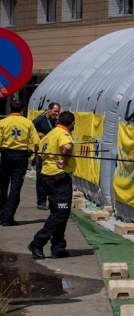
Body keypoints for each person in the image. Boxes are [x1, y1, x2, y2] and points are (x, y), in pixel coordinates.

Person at [28, 111, 76, 259]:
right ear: (72, 123)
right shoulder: (63, 133)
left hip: (48, 177)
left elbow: (41, 153)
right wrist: (65, 161)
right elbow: (67, 147)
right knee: (60, 213)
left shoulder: (50, 134)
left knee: (60, 212)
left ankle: (58, 247)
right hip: (59, 179)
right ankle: (38, 242)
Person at [0, 100, 40, 226]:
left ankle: (1, 215)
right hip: (21, 156)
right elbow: (36, 141)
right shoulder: (28, 123)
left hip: (6, 155)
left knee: (2, 186)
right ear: (22, 109)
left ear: (10, 109)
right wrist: (35, 157)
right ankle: (8, 217)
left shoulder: (2, 122)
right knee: (15, 188)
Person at [33, 102, 61, 210]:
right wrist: (38, 135)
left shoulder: (57, 123)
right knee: (41, 178)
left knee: (53, 179)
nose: (56, 114)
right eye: (55, 111)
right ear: (48, 110)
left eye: (58, 112)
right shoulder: (39, 121)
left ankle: (52, 201)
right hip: (42, 155)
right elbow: (30, 133)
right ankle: (41, 201)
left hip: (53, 155)